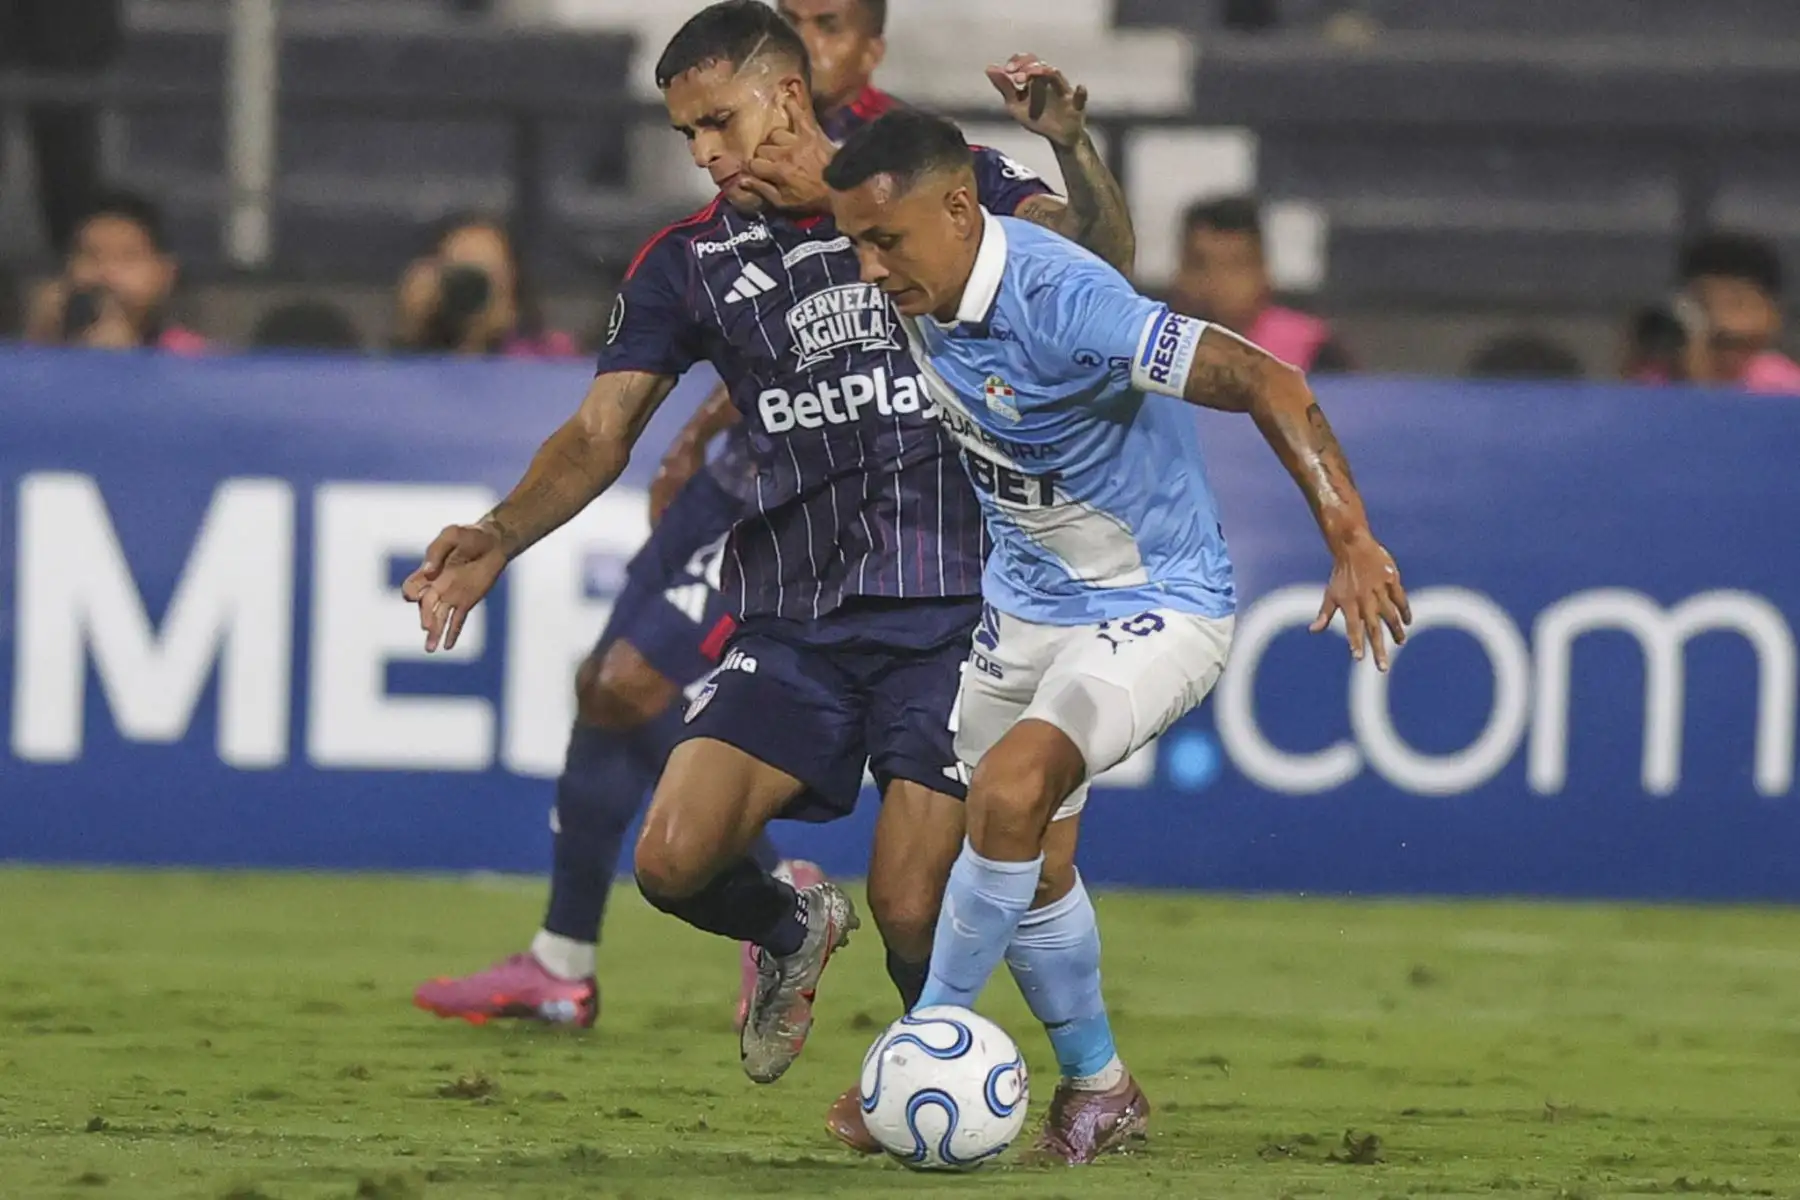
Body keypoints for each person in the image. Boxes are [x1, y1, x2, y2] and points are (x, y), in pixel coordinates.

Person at [407, 0, 1136, 1126]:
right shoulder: (688, 264)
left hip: (960, 615)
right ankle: (792, 929)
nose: (702, 152)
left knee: (909, 902)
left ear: (786, 97)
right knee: (674, 859)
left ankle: (922, 1077)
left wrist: (1072, 146)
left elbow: (1102, 263)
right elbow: (603, 431)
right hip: (794, 618)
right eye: (686, 134)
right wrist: (500, 533)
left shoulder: (942, 181)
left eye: (717, 121)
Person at [823, 108, 1409, 1159]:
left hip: (1159, 599)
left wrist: (1351, 533)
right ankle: (1102, 1088)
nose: (869, 269)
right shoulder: (924, 278)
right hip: (1026, 603)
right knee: (1035, 861)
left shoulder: (1069, 303)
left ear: (960, 209)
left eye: (886, 242)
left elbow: (1268, 379)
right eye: (857, 244)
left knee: (1008, 790)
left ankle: (922, 1046)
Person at [1169, 195, 1351, 373]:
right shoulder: (1150, 350)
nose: (1216, 282)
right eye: (1199, 265)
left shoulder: (1314, 352)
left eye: (1234, 266)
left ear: (1262, 273)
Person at [24, 188, 207, 353]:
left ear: (166, 274)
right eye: (91, 255)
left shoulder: (189, 358)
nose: (106, 272)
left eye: (128, 257)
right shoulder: (46, 341)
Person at [392, 215, 578, 358]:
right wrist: (414, 327)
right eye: (461, 276)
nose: (468, 292)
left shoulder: (548, 356)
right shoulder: (410, 363)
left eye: (480, 278)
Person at [1668, 232, 1800, 394]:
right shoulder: (1658, 380)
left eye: (1737, 302)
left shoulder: (1783, 385)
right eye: (1705, 304)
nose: (1720, 319)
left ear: (1773, 313)